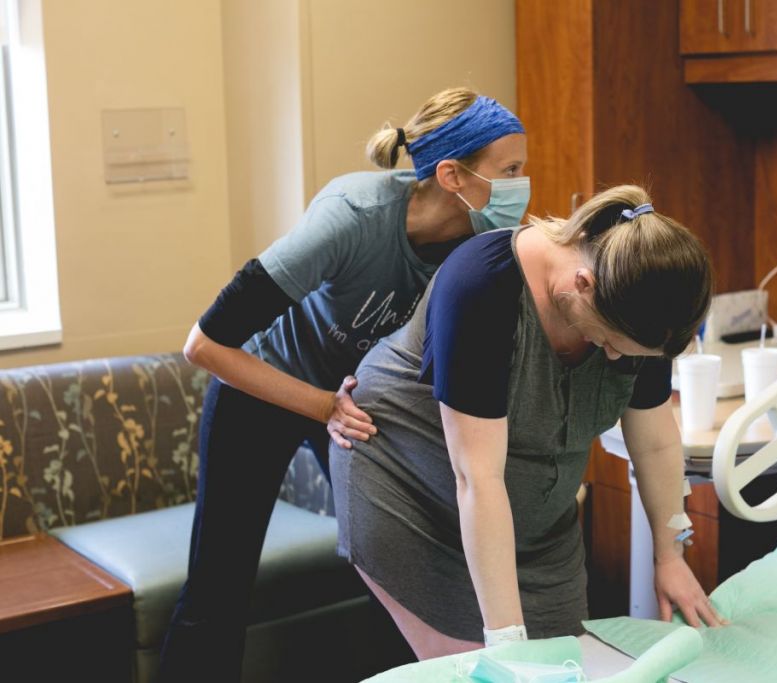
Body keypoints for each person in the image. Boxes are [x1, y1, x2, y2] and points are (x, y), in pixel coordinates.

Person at [158, 88, 529, 682]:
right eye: (509, 171)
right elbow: (203, 345)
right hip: (260, 387)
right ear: (452, 174)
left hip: (356, 403)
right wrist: (324, 405)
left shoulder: (479, 245)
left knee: (400, 575)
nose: (521, 184)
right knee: (218, 586)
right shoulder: (352, 218)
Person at [330, 185, 726, 662]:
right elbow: (477, 478)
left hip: (536, 525)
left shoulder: (646, 302)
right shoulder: (482, 287)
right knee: (483, 665)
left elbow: (658, 444)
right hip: (414, 492)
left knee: (568, 663)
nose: (618, 359)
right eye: (611, 343)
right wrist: (507, 644)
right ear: (583, 285)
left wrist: (671, 556)